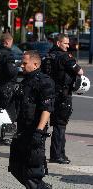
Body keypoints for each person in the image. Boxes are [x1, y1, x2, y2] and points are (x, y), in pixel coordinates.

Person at [9, 50, 54, 189]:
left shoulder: (45, 82)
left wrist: (39, 131)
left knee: (32, 174)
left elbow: (47, 108)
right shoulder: (25, 81)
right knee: (15, 167)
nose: (21, 66)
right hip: (22, 130)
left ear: (35, 64)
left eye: (24, 63)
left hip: (34, 132)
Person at [48, 34, 84, 164]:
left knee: (54, 124)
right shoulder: (64, 57)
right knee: (60, 125)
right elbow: (80, 71)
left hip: (50, 94)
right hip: (63, 95)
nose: (68, 46)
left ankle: (56, 153)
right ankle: (57, 155)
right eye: (65, 43)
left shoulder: (48, 55)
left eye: (68, 44)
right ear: (58, 43)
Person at [0, 33, 19, 145]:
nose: (12, 45)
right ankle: (7, 137)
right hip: (8, 86)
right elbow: (11, 71)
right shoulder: (8, 55)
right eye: (11, 42)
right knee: (9, 112)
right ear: (7, 42)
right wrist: (17, 69)